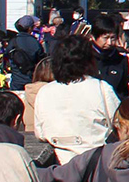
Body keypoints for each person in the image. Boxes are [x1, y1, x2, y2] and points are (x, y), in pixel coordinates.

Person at [33, 33, 122, 163]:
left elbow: (40, 134)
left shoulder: (45, 92)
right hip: (96, 161)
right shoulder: (101, 88)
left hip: (60, 164)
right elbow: (119, 124)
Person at [90, 15, 129, 101]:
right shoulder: (84, 58)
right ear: (93, 37)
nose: (109, 42)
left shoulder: (121, 60)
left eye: (112, 38)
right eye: (105, 38)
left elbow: (123, 90)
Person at [6, 14, 46, 92]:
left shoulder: (13, 41)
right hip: (31, 80)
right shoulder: (35, 42)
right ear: (30, 28)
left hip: (16, 80)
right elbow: (41, 60)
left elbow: (7, 56)